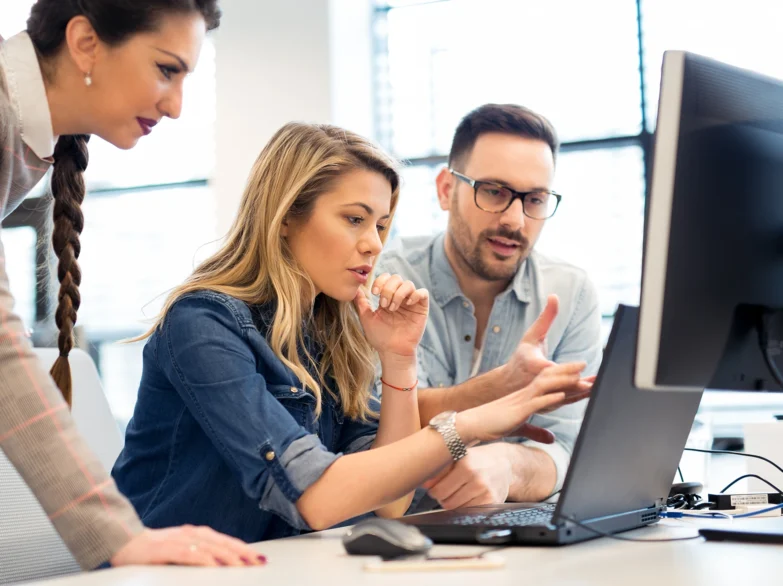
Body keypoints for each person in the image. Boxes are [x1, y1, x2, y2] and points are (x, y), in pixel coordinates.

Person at [111, 122, 590, 541]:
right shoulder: (202, 323)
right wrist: (464, 425)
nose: (374, 243)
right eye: (355, 219)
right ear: (285, 218)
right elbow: (315, 497)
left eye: (381, 225)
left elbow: (391, 502)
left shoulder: (328, 332)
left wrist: (398, 360)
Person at [0, 0, 265, 569]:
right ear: (85, 42)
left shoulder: (30, 131)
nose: (175, 107)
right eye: (166, 69)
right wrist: (118, 536)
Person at [376, 103, 602, 511]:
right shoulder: (387, 283)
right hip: (398, 535)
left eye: (534, 199)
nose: (515, 220)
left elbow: (571, 450)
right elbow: (388, 423)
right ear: (446, 190)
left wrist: (509, 465)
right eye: (494, 192)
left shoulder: (572, 293)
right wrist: (506, 386)